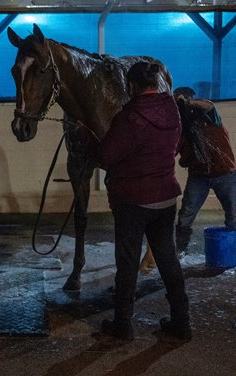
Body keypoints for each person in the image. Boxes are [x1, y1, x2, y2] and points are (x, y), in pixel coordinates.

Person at [77, 62, 191, 340]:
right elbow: (175, 146)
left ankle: (123, 324)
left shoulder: (129, 118)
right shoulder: (172, 110)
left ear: (131, 86)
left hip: (134, 201)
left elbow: (105, 156)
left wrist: (85, 136)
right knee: (168, 260)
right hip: (165, 198)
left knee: (126, 263)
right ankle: (181, 321)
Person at [174, 88, 236, 256]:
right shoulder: (181, 130)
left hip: (225, 173)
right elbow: (175, 152)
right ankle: (180, 249)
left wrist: (187, 102)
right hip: (199, 176)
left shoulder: (210, 118)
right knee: (187, 212)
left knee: (234, 212)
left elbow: (209, 105)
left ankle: (232, 248)